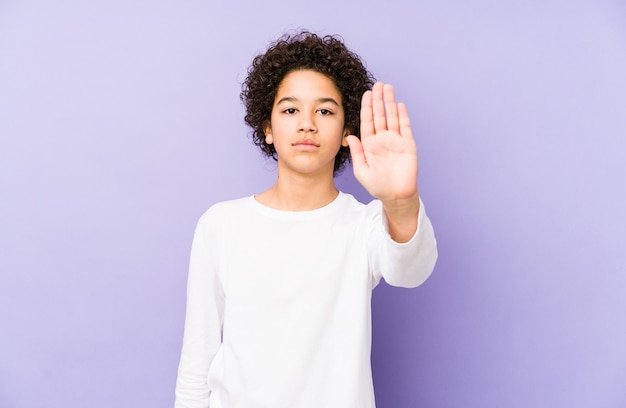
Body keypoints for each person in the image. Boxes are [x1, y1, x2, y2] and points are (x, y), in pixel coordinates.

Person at [175, 31, 437, 408]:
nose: (307, 124)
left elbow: (411, 270)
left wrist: (400, 201)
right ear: (267, 127)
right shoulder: (221, 224)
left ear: (348, 129)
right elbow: (197, 361)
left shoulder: (364, 225)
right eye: (290, 110)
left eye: (325, 110)